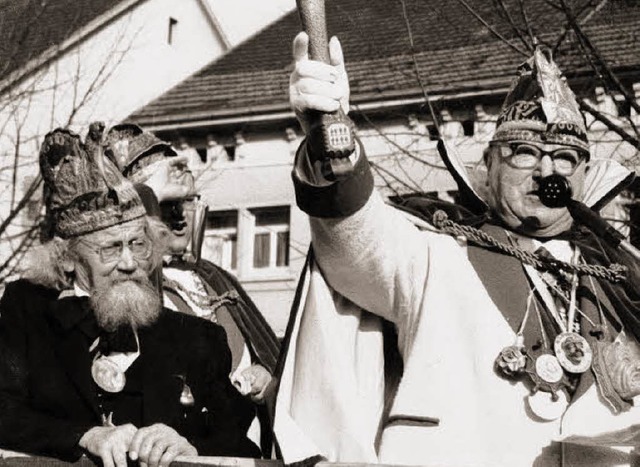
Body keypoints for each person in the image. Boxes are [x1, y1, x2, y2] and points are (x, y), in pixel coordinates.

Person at [273, 32, 640, 466]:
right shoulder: (433, 254)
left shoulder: (618, 277)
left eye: (564, 157)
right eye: (523, 152)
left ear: (582, 176)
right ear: (487, 168)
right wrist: (330, 135)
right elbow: (354, 235)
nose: (546, 171)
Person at [0, 127, 260, 467]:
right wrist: (85, 435)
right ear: (68, 257)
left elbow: (242, 447)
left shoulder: (197, 339)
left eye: (138, 245)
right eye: (110, 248)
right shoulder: (28, 316)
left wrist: (190, 447)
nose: (129, 263)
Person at [104, 123, 280, 455]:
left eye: (187, 203)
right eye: (168, 206)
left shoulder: (215, 278)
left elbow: (268, 360)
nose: (182, 217)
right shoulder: (127, 284)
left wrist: (264, 377)